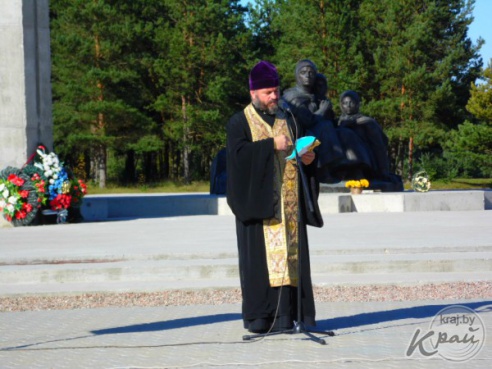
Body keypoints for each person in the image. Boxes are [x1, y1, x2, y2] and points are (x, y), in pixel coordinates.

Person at [226, 60, 317, 333]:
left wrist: (309, 159)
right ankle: (260, 320)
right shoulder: (239, 122)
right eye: (268, 92)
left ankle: (290, 318)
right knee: (260, 267)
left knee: (292, 262)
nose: (274, 97)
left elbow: (299, 151)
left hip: (288, 208)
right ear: (253, 93)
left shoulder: (288, 118)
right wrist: (269, 146)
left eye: (276, 91)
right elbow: (237, 160)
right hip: (259, 209)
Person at [282, 59, 344, 181]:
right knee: (325, 127)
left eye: (311, 73)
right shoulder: (292, 96)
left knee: (345, 132)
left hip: (312, 133)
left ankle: (349, 169)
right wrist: (322, 111)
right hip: (297, 137)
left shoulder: (315, 96)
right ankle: (322, 171)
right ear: (296, 75)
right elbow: (306, 122)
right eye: (303, 72)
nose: (307, 76)